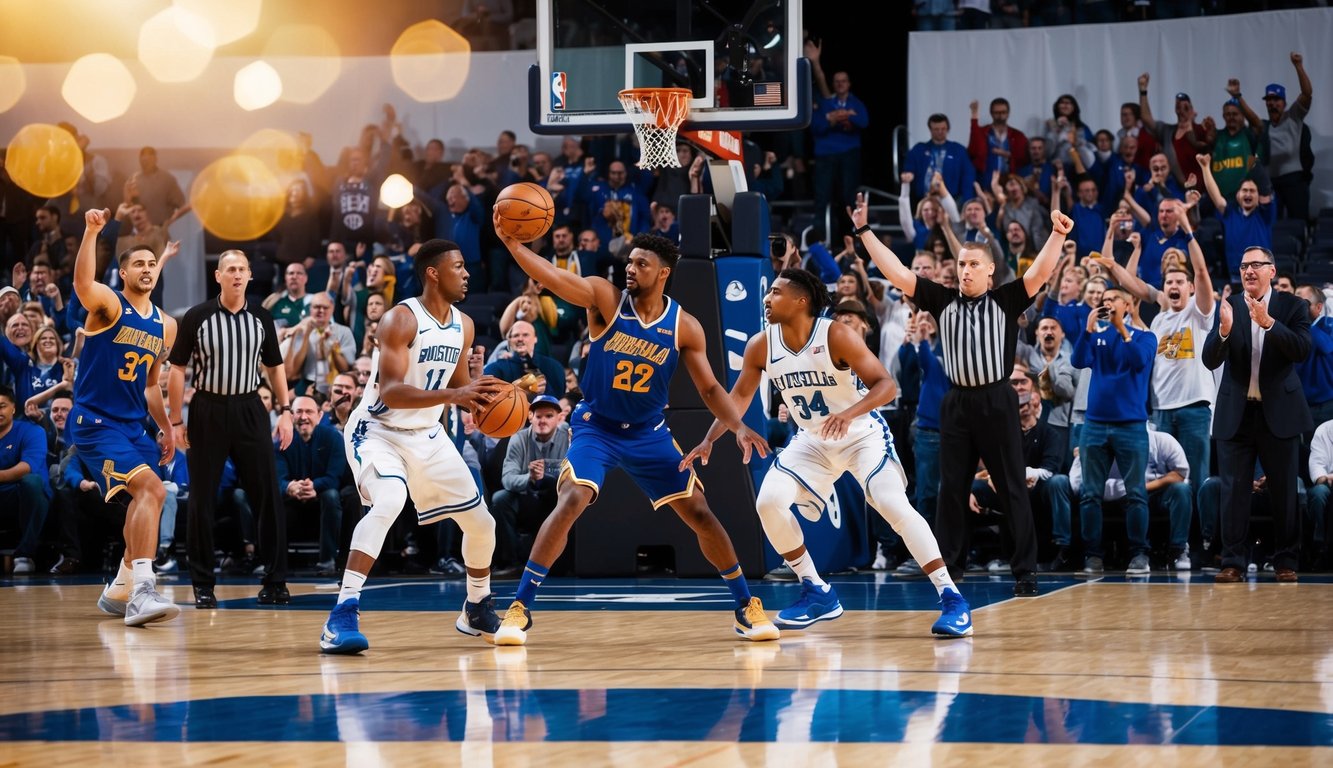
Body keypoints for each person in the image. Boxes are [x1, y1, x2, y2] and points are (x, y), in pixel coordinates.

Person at [492, 224, 777, 646]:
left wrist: (737, 426)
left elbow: (712, 389)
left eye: (641, 263)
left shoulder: (685, 325)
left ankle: (745, 606)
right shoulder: (606, 299)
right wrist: (515, 245)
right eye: (629, 261)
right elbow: (556, 279)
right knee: (573, 498)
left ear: (663, 272)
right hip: (597, 428)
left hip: (648, 433)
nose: (630, 268)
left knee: (700, 512)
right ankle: (519, 608)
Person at [685, 269, 972, 637]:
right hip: (813, 439)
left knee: (891, 503)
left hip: (860, 433)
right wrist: (711, 437)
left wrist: (848, 413)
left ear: (801, 301)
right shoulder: (761, 343)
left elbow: (887, 385)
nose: (767, 298)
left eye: (775, 292)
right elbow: (738, 398)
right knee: (768, 502)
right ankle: (816, 590)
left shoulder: (835, 333)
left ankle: (952, 598)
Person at [852, 193, 1074, 596]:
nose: (966, 270)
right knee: (949, 489)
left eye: (974, 264)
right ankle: (949, 568)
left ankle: (1024, 570)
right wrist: (865, 231)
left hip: (997, 399)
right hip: (956, 403)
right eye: (961, 264)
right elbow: (899, 272)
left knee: (1010, 486)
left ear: (990, 271)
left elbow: (1040, 273)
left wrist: (1057, 235)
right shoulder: (941, 300)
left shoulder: (1006, 299)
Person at [320, 239, 507, 654]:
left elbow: (458, 385)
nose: (467, 273)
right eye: (458, 266)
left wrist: (488, 393)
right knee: (389, 499)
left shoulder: (464, 324)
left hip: (426, 433)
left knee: (483, 523)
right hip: (378, 430)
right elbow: (391, 392)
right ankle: (342, 613)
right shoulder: (400, 320)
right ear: (433, 273)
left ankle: (476, 605)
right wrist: (454, 397)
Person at [168, 249, 295, 608]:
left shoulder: (262, 318)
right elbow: (177, 369)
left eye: (242, 269)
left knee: (267, 495)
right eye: (230, 269)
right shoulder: (197, 316)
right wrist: (176, 420)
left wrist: (284, 411)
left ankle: (275, 581)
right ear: (218, 276)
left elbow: (275, 367)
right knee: (201, 499)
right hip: (207, 408)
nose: (237, 274)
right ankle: (203, 584)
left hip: (250, 407)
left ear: (250, 276)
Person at [69, 209, 179, 626]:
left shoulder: (166, 326)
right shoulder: (109, 305)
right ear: (123, 272)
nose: (147, 269)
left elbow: (152, 384)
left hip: (134, 427)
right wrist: (91, 232)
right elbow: (82, 283)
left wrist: (166, 427)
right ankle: (142, 594)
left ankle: (121, 587)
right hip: (96, 423)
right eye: (139, 263)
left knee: (153, 496)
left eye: (152, 264)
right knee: (151, 489)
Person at [1203, 246, 1312, 583]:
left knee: (1283, 491)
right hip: (1237, 412)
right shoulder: (1230, 306)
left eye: (1256, 265)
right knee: (1233, 490)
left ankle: (1285, 560)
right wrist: (1222, 332)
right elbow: (1210, 360)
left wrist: (1269, 324)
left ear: (1272, 271)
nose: (1248, 271)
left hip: (1278, 411)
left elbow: (1302, 350)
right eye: (1243, 265)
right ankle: (1232, 561)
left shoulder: (1293, 306)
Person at [1070, 285, 1158, 575]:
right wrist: (1087, 329)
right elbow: (1078, 360)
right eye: (1103, 301)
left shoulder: (1146, 337)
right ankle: (1093, 556)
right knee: (1090, 494)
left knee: (1135, 493)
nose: (1107, 305)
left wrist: (1122, 329)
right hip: (1094, 424)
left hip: (1131, 426)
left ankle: (1139, 555)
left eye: (1113, 300)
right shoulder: (1097, 338)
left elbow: (1138, 361)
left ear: (1129, 304)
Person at [492, 394, 571, 571]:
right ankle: (510, 562)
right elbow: (507, 478)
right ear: (530, 418)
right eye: (539, 416)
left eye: (549, 416)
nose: (543, 420)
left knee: (570, 498)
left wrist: (547, 471)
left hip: (555, 498)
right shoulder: (518, 438)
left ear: (559, 419)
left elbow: (573, 473)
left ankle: (563, 563)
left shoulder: (567, 436)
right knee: (500, 499)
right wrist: (530, 477)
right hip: (526, 497)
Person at [1260, 52, 1314, 222]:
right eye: (1269, 100)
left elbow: (1306, 94)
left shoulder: (1293, 116)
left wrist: (1298, 66)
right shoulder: (1264, 126)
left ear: (1284, 103)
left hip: (1294, 181)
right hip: (1272, 183)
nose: (1272, 103)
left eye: (1276, 100)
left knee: (1298, 222)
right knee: (1273, 226)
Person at [0, 386, 48, 574]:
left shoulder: (32, 431)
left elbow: (28, 467)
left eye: (2, 406)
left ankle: (25, 555)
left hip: (20, 494)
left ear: (13, 408)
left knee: (32, 482)